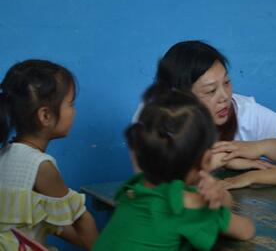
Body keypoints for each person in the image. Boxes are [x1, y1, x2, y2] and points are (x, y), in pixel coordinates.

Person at [94, 90, 255, 251]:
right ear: (206, 160)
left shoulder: (133, 188)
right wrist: (219, 195)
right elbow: (246, 230)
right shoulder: (191, 206)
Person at [134, 40, 276, 171]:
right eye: (210, 91)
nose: (225, 97)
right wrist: (225, 160)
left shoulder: (242, 110)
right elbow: (154, 178)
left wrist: (258, 147)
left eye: (227, 83)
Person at [0, 59, 98, 250]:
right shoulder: (41, 166)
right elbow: (82, 221)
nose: (74, 112)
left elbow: (47, 218)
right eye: (71, 104)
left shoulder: (5, 154)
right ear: (45, 116)